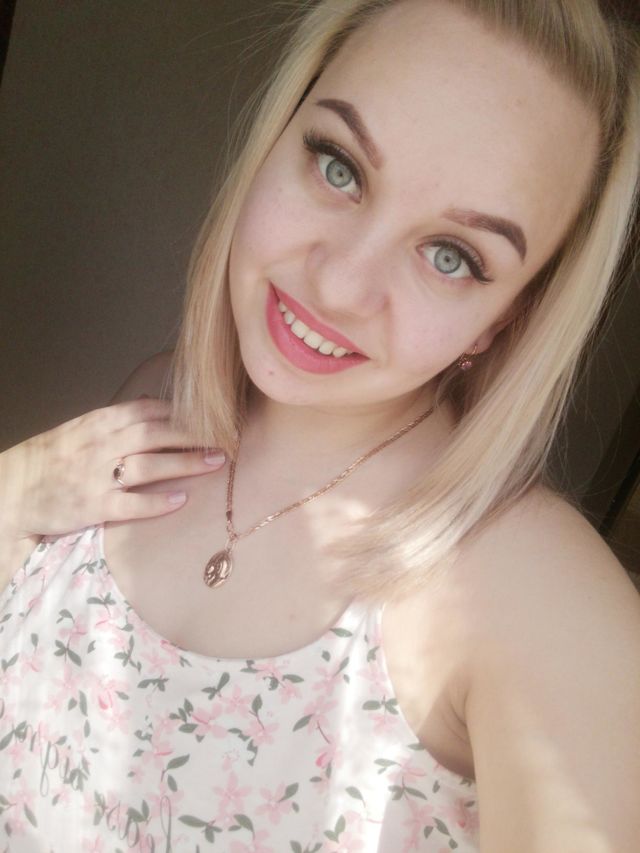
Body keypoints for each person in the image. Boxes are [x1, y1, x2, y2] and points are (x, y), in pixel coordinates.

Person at [1, 0, 639, 849]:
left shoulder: (542, 603)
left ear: (504, 320)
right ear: (277, 137)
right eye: (339, 167)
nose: (339, 285)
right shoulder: (160, 396)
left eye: (452, 256)